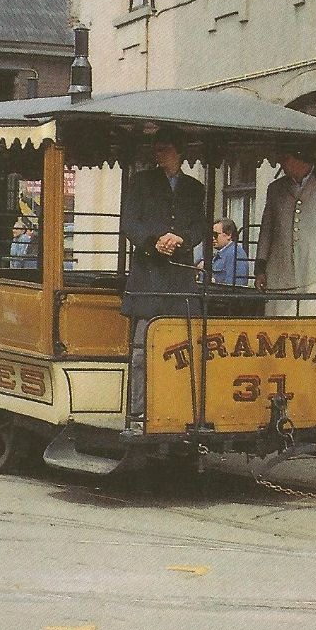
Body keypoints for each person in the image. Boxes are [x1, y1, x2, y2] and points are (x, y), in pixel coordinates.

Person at [119, 127, 208, 422]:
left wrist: (180, 239)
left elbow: (199, 227)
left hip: (180, 282)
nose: (159, 154)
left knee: (184, 348)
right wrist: (155, 241)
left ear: (179, 152)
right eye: (156, 149)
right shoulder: (141, 183)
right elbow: (130, 223)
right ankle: (138, 411)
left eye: (165, 149)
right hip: (148, 278)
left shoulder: (194, 189)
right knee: (142, 349)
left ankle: (179, 408)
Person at [255, 144, 316, 316]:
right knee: (278, 327)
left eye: (286, 159)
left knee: (314, 328)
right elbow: (266, 233)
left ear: (302, 157)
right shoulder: (275, 189)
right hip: (280, 274)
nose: (282, 165)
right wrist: (260, 269)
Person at [208, 217, 252, 287]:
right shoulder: (222, 253)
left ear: (229, 235)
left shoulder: (235, 254)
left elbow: (236, 286)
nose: (213, 238)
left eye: (215, 234)